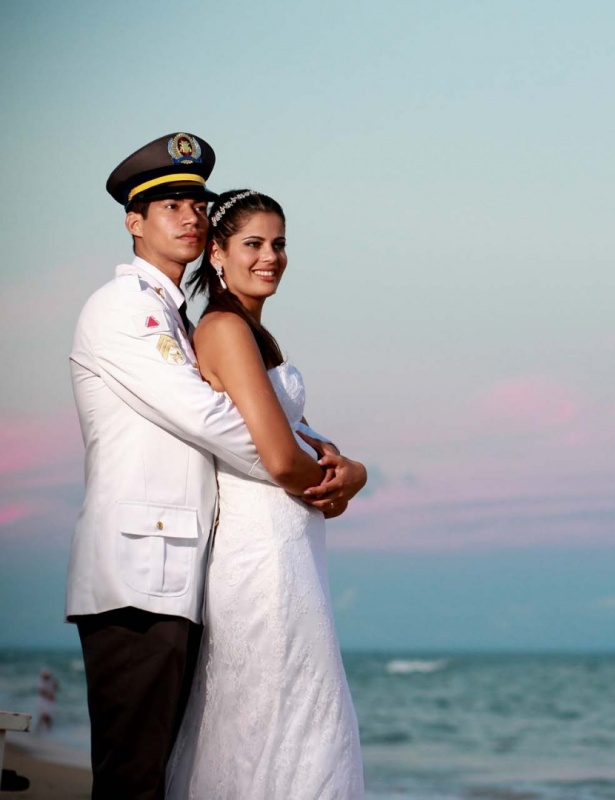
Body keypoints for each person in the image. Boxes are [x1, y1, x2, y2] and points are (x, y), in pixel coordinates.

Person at [67, 133, 359, 800]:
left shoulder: (176, 315)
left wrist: (323, 456)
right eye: (170, 204)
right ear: (133, 222)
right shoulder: (125, 310)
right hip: (136, 573)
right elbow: (213, 421)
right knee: (133, 775)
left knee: (170, 767)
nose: (190, 215)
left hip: (184, 568)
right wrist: (308, 470)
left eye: (196, 202)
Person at [165, 189, 367, 799]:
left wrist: (353, 471)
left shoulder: (256, 331)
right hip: (264, 558)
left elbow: (303, 441)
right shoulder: (225, 328)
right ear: (217, 253)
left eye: (279, 244)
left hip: (292, 549)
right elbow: (281, 459)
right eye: (253, 244)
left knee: (297, 709)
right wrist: (342, 485)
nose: (271, 257)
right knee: (275, 711)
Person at [35, 668, 59, 734]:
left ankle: (47, 732)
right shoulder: (41, 682)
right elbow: (41, 692)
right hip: (43, 701)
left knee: (49, 717)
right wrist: (49, 695)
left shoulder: (50, 682)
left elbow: (56, 688)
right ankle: (40, 731)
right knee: (43, 716)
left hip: (49, 702)